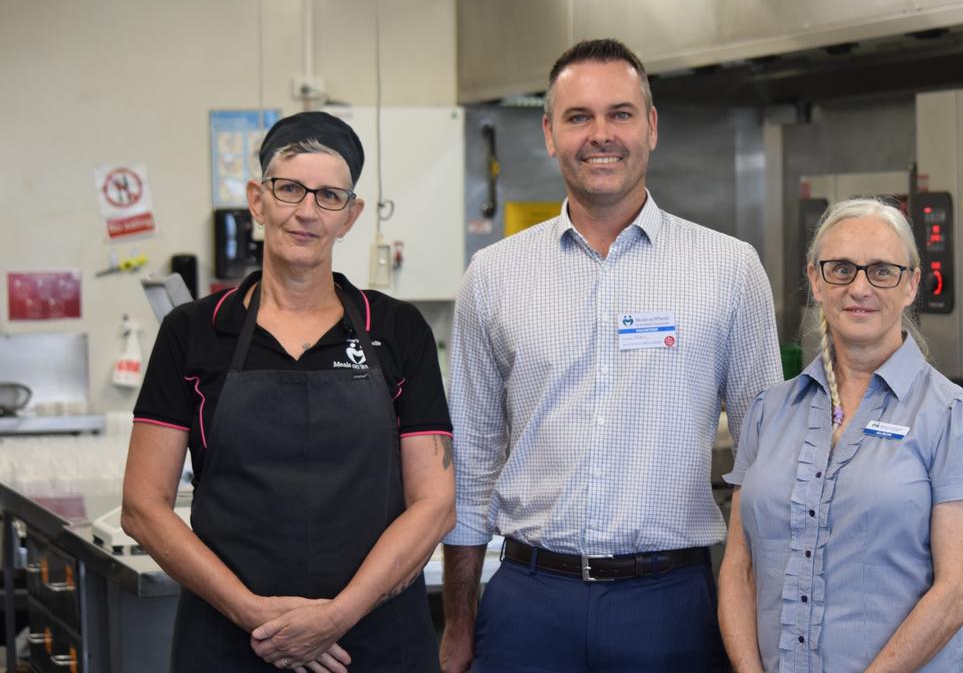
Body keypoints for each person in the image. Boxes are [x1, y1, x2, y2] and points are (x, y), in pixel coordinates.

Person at [438, 38, 782, 673]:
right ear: (549, 133)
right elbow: (473, 460)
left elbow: (766, 464)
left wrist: (753, 620)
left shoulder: (729, 270)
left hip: (672, 605)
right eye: (579, 117)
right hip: (527, 607)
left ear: (651, 126)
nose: (602, 135)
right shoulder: (494, 275)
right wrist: (459, 624)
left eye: (620, 114)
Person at [122, 111, 456, 672]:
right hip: (232, 643)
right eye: (289, 189)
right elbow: (142, 506)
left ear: (350, 217)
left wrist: (335, 617)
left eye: (329, 196)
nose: (306, 211)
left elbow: (435, 504)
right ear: (257, 200)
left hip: (372, 642)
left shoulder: (396, 329)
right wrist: (255, 615)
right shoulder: (194, 331)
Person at [718, 198, 963, 672]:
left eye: (882, 271)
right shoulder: (770, 412)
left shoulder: (954, 417)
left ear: (912, 284)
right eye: (842, 269)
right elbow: (738, 569)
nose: (860, 288)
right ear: (815, 280)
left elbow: (956, 593)